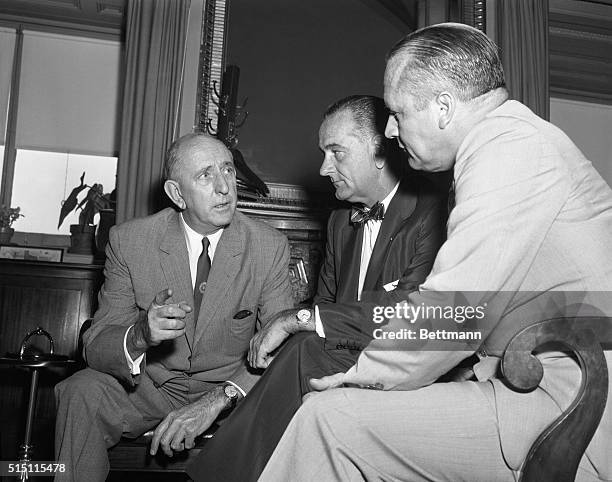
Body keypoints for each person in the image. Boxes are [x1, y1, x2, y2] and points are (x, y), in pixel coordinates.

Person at [258, 23, 612, 482]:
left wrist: (364, 376)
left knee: (327, 419)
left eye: (397, 113)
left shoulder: (510, 147)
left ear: (443, 108)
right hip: (535, 383)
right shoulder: (512, 142)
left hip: (571, 407)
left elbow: (456, 305)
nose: (389, 129)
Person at [187, 95, 447, 482]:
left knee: (303, 346)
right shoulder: (341, 221)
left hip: (406, 364)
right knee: (302, 352)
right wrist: (302, 322)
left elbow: (412, 314)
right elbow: (326, 304)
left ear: (379, 152)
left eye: (336, 152)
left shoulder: (433, 210)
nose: (324, 168)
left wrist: (297, 319)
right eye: (324, 153)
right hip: (343, 359)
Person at [53, 133, 294, 482]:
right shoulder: (130, 241)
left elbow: (282, 350)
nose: (225, 187)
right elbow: (96, 345)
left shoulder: (268, 247)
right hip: (151, 390)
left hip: (228, 398)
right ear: (177, 194)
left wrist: (219, 398)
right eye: (206, 175)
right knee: (81, 392)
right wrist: (140, 335)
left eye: (227, 170)